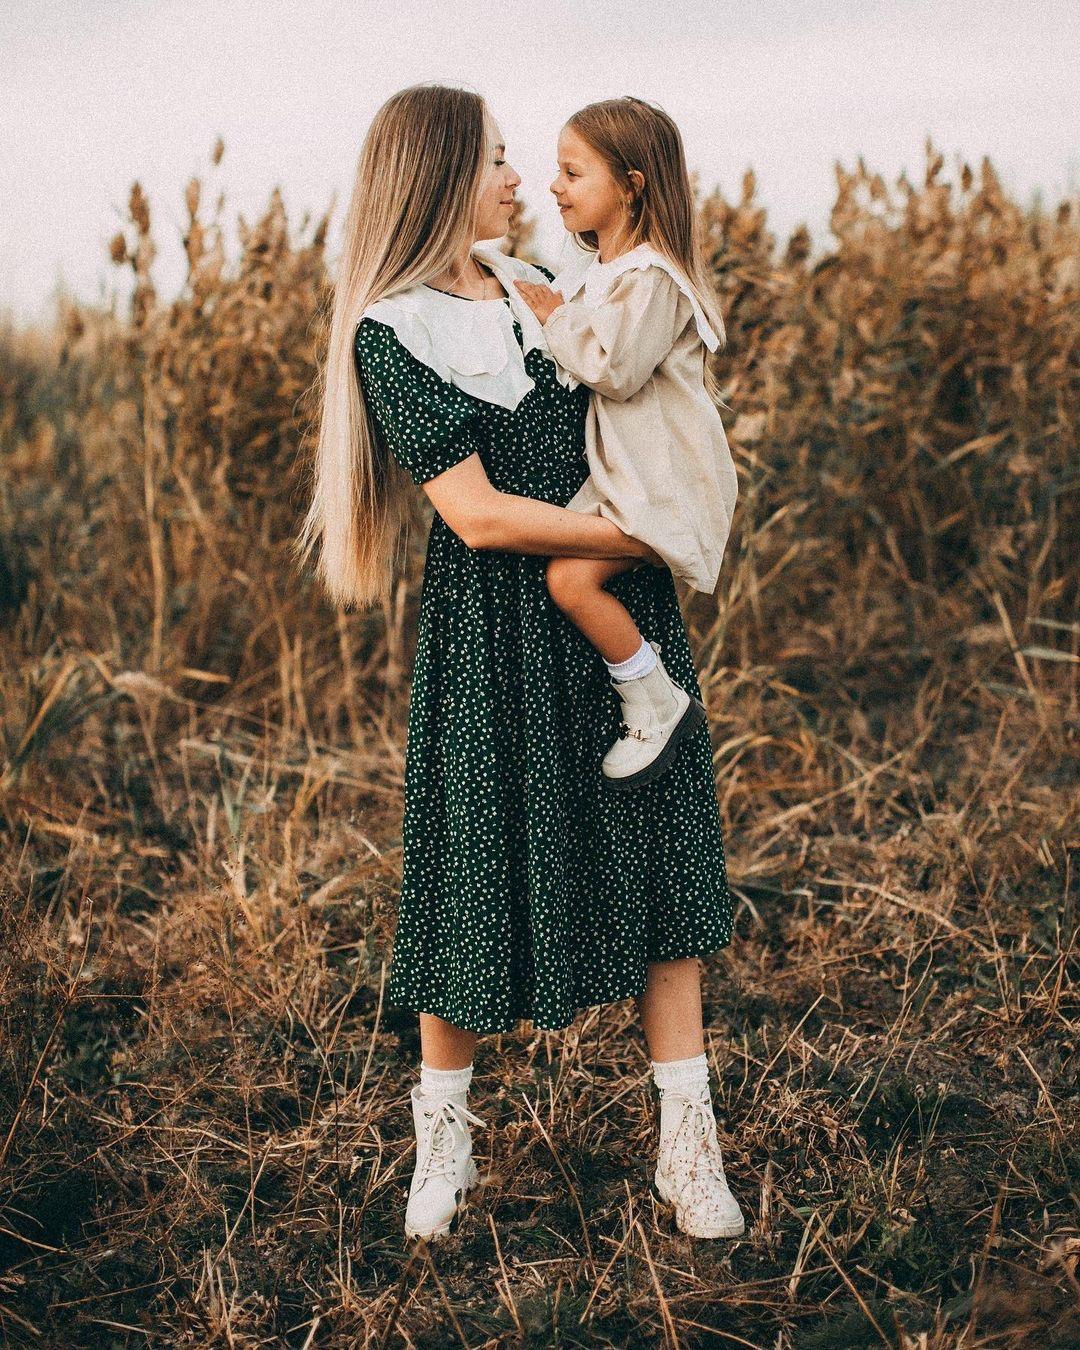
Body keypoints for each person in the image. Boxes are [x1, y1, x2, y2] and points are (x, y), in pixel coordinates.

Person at [294, 82, 744, 1245]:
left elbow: (648, 405)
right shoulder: (386, 335)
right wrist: (643, 536)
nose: (519, 181)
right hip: (492, 637)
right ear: (442, 174)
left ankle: (687, 1155)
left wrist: (655, 524)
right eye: (497, 159)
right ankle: (442, 1148)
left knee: (664, 880)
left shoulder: (541, 288)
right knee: (466, 892)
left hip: (610, 618)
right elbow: (482, 519)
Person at [513, 97, 739, 793]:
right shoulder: (608, 274)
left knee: (567, 577)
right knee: (563, 575)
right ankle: (648, 697)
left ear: (632, 184)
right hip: (627, 476)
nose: (555, 187)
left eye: (573, 173)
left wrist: (555, 321)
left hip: (659, 483)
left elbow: (614, 368)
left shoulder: (653, 277)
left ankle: (654, 701)